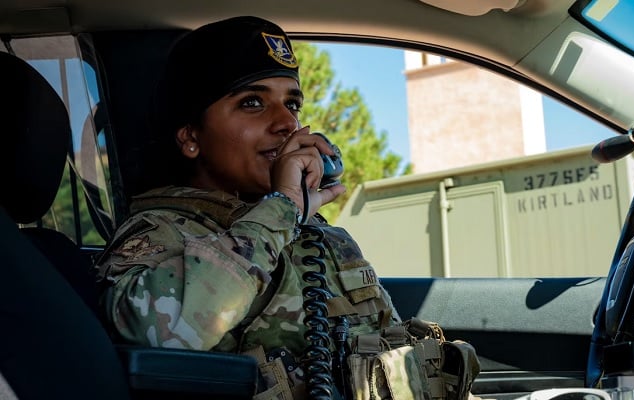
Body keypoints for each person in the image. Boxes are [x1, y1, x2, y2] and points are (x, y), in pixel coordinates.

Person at [96, 15, 479, 399]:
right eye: (252, 103)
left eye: (292, 102)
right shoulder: (158, 232)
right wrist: (283, 207)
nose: (286, 122)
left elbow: (391, 355)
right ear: (191, 137)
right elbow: (159, 333)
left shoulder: (324, 238)